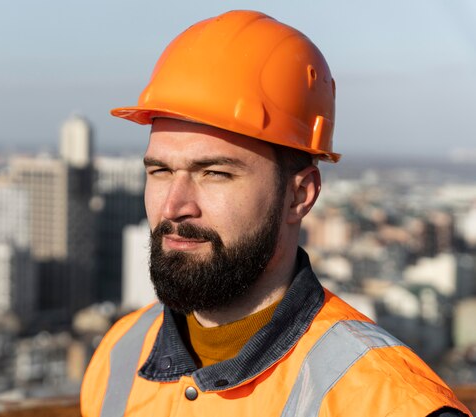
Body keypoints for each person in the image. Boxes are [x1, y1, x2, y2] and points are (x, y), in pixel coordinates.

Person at [80, 10, 472, 417]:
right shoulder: (120, 355)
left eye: (215, 173)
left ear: (299, 195)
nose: (173, 206)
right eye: (160, 170)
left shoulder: (387, 400)